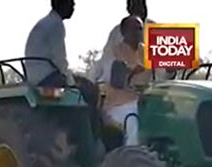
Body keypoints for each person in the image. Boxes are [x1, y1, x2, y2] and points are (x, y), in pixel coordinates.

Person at [24, 0, 101, 138]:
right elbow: (60, 59)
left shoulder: (46, 22)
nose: (73, 6)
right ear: (61, 4)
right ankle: (91, 138)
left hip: (37, 73)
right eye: (71, 3)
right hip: (47, 75)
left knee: (82, 86)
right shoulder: (55, 24)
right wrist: (71, 82)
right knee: (89, 90)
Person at [102, 16, 150, 146]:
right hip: (118, 104)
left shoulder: (147, 53)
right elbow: (112, 78)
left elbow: (162, 78)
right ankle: (130, 158)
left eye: (140, 29)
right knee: (133, 117)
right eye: (134, 29)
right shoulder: (113, 51)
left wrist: (170, 70)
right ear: (123, 32)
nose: (138, 33)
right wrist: (131, 71)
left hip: (145, 102)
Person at [91, 0, 152, 85]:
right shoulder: (116, 37)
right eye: (134, 4)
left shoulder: (155, 32)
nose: (139, 7)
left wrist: (169, 71)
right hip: (119, 91)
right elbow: (106, 66)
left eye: (141, 3)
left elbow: (164, 72)